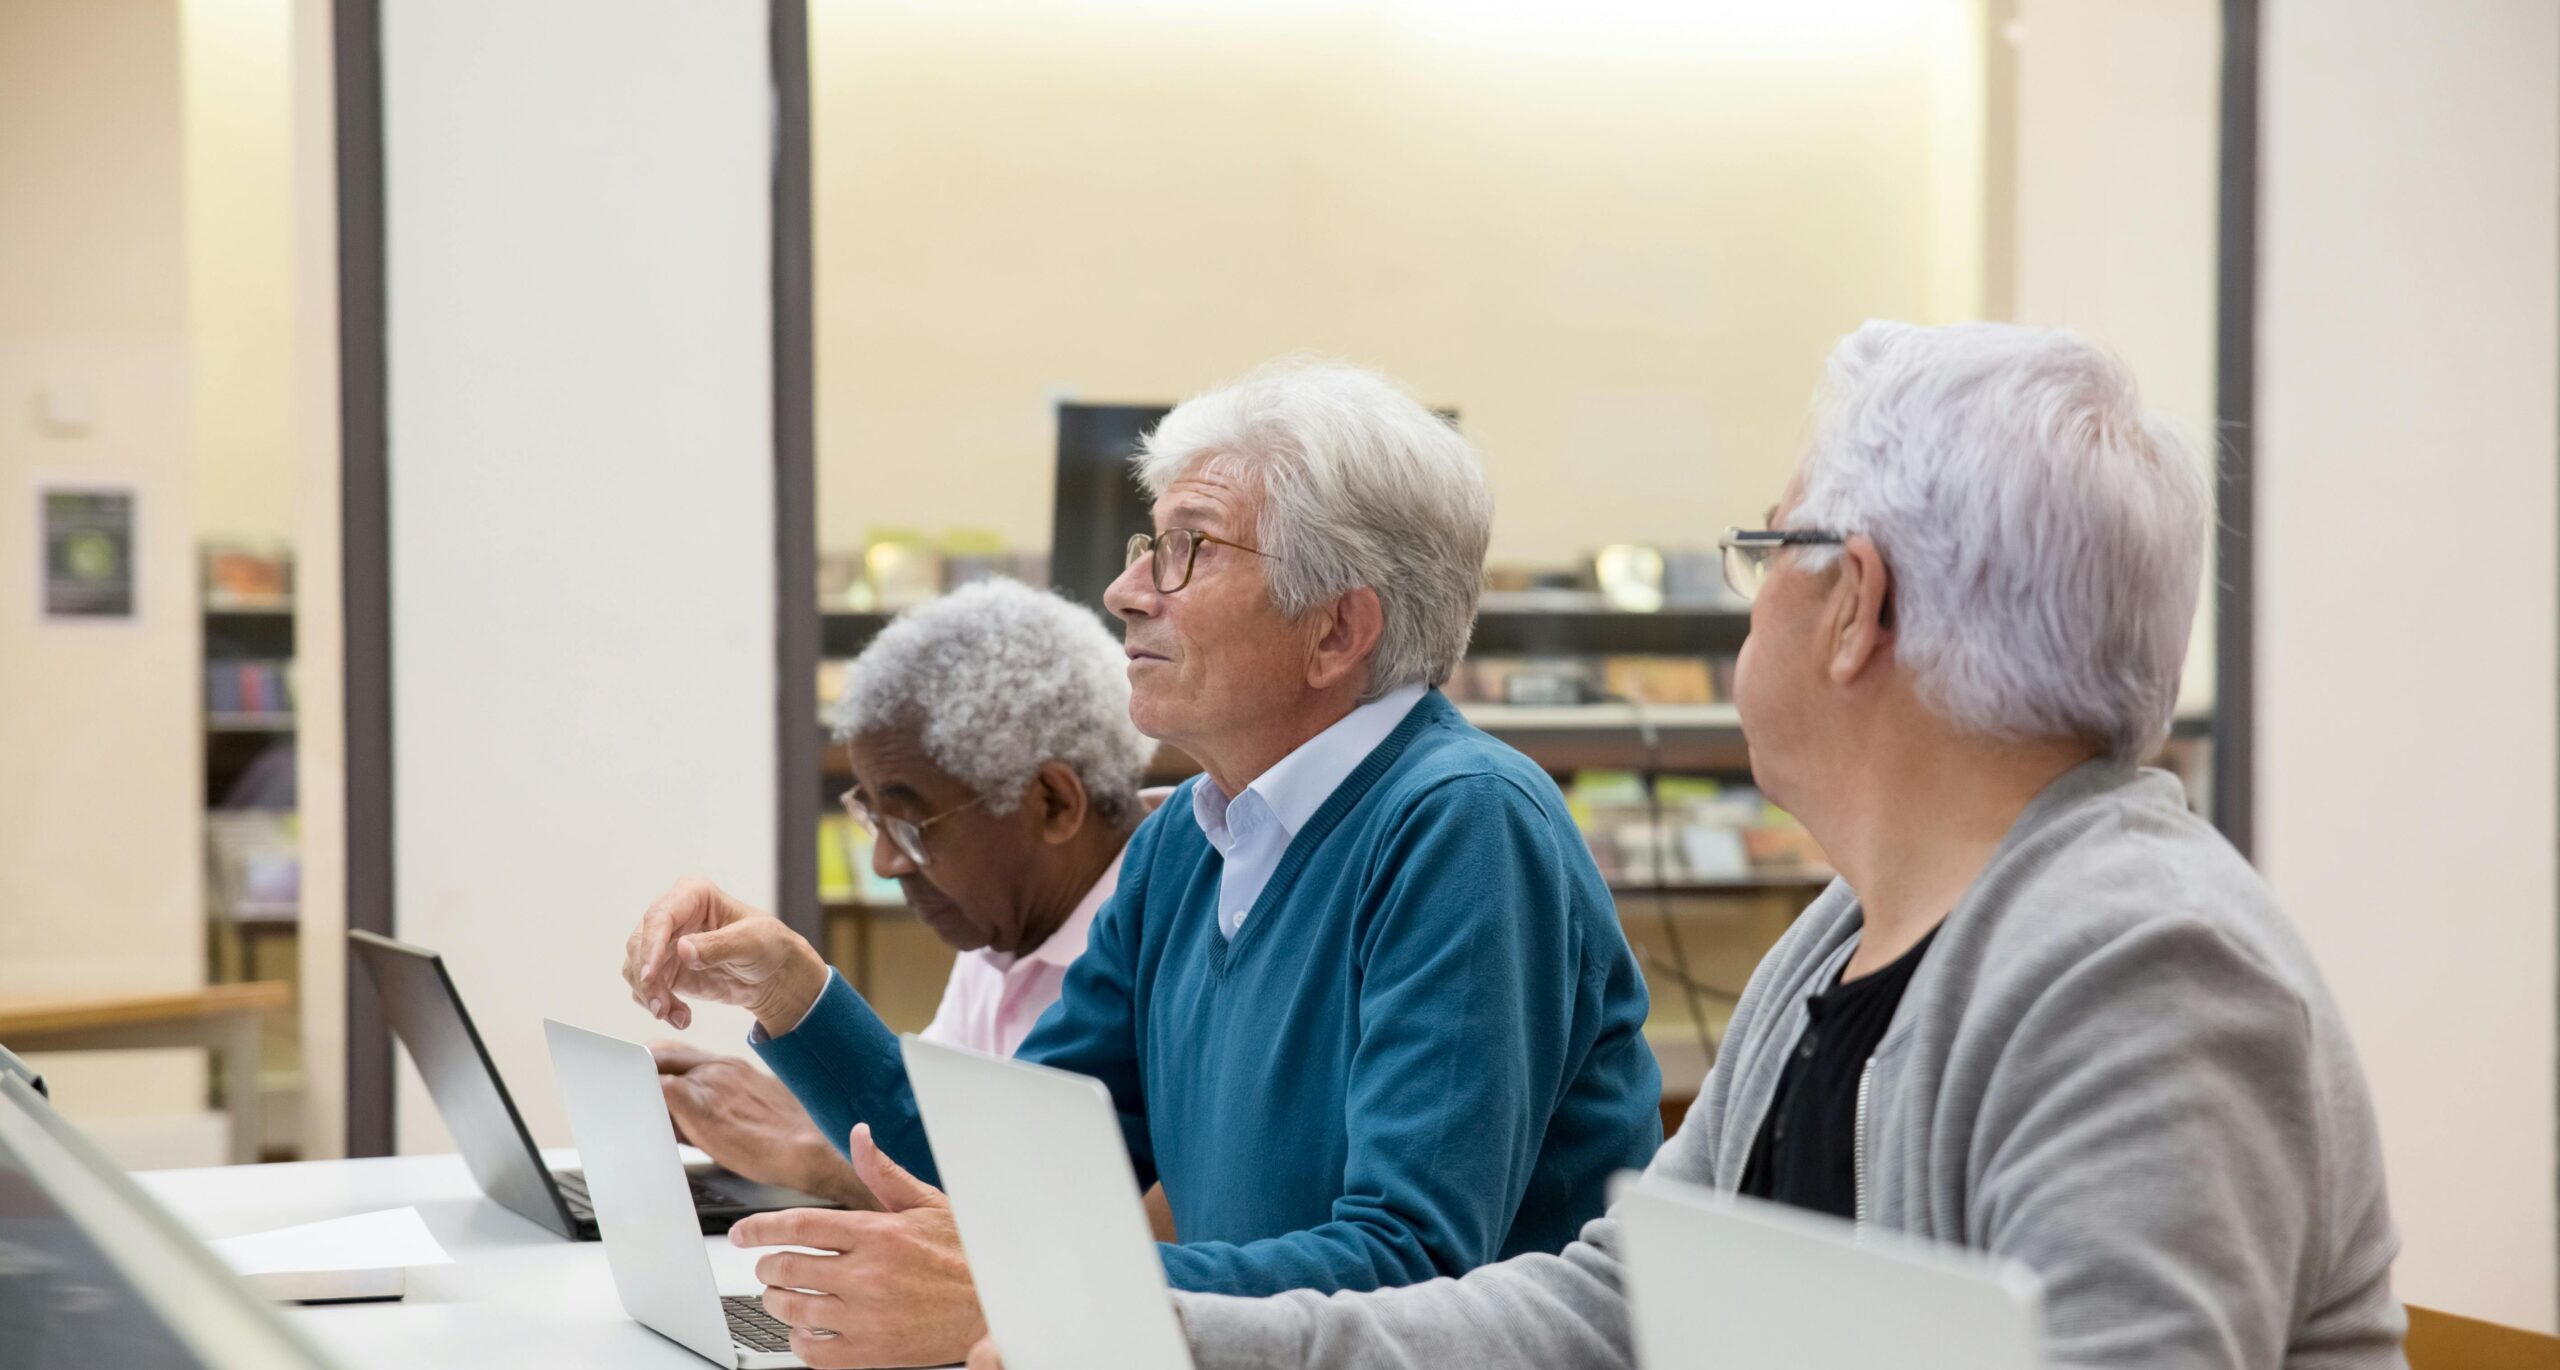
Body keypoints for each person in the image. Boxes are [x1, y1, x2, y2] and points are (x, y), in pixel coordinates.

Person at [1029, 322, 2405, 1370]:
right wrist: (1139, 1322)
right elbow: (1610, 1298)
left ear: (1856, 604)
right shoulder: (1841, 934)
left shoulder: (2145, 968)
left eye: (1768, 550)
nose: (1751, 605)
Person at [623, 360, 1663, 1369]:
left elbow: (1409, 1269)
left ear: (1337, 628)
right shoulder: (1187, 841)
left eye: (1187, 548)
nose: (1124, 590)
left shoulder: (1462, 825)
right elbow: (1012, 1173)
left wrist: (1026, 1291)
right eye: (1145, 543)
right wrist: (795, 992)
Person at [642, 580, 1166, 1211]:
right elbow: (934, 1141)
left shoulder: (1181, 921)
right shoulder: (1008, 927)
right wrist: (803, 1096)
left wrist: (808, 1151)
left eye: (911, 826)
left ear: (1052, 803)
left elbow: (1076, 1221)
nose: (886, 861)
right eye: (873, 818)